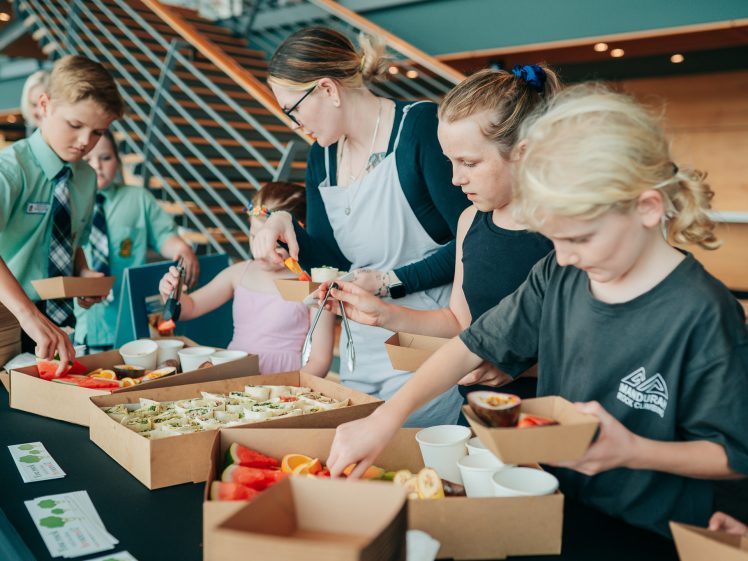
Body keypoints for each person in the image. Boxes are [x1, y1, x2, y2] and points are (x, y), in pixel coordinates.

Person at [326, 84, 748, 537]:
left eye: (579, 239)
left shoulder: (703, 312)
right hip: (556, 501)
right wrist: (385, 419)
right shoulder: (561, 272)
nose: (563, 257)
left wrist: (631, 450)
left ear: (647, 208)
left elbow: (732, 453)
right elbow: (472, 343)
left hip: (652, 527)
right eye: (555, 239)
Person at [251, 26, 470, 426]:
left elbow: (470, 245)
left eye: (292, 109)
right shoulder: (323, 157)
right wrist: (284, 224)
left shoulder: (417, 127)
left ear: (328, 90)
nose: (294, 124)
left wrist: (388, 281)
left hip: (425, 349)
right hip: (361, 352)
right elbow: (331, 260)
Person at [320, 66, 557, 407]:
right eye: (450, 162)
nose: (455, 180)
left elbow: (594, 346)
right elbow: (457, 321)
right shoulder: (469, 221)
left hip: (549, 416)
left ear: (523, 151)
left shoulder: (566, 231)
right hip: (476, 413)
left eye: (469, 163)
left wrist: (519, 366)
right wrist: (383, 314)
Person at [0, 55, 125, 360]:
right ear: (44, 106)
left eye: (97, 132)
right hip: (8, 315)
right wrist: (29, 316)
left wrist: (82, 274)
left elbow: (71, 244)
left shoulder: (84, 177)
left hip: (59, 319)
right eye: (75, 125)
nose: (85, 142)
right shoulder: (10, 171)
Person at [158, 182, 334, 376]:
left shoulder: (312, 284)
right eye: (254, 238)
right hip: (235, 376)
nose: (260, 252)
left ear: (298, 237)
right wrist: (171, 292)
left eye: (274, 245)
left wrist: (289, 390)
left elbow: (320, 360)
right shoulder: (239, 273)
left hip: (285, 383)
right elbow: (190, 307)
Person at [73, 130, 199, 352]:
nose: (97, 166)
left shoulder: (138, 198)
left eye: (106, 158)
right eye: (87, 159)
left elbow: (164, 236)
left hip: (130, 314)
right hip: (83, 319)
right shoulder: (71, 201)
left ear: (118, 161)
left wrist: (181, 248)